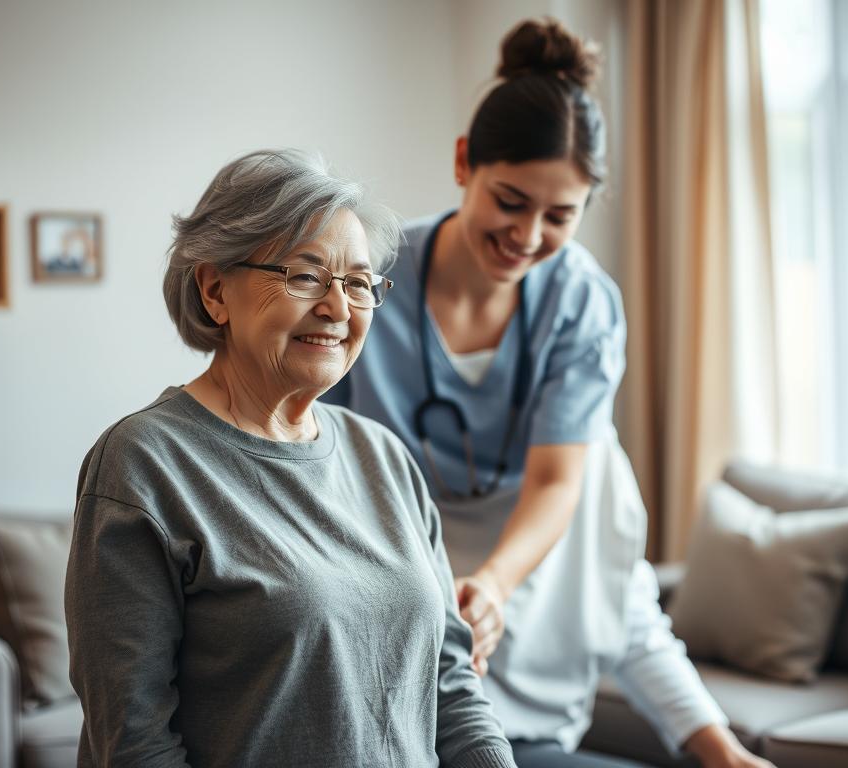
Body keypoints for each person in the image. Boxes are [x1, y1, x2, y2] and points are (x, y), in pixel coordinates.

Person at [325, 18, 773, 768]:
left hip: (518, 617)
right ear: (465, 163)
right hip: (392, 594)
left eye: (560, 215)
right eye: (511, 200)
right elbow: (324, 469)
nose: (528, 236)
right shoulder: (369, 279)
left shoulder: (582, 304)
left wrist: (493, 586)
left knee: (596, 456)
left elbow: (570, 500)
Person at [65, 149, 518, 768]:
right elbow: (135, 743)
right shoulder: (144, 465)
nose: (337, 308)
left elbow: (452, 688)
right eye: (305, 276)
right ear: (215, 289)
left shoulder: (382, 457)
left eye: (358, 283)